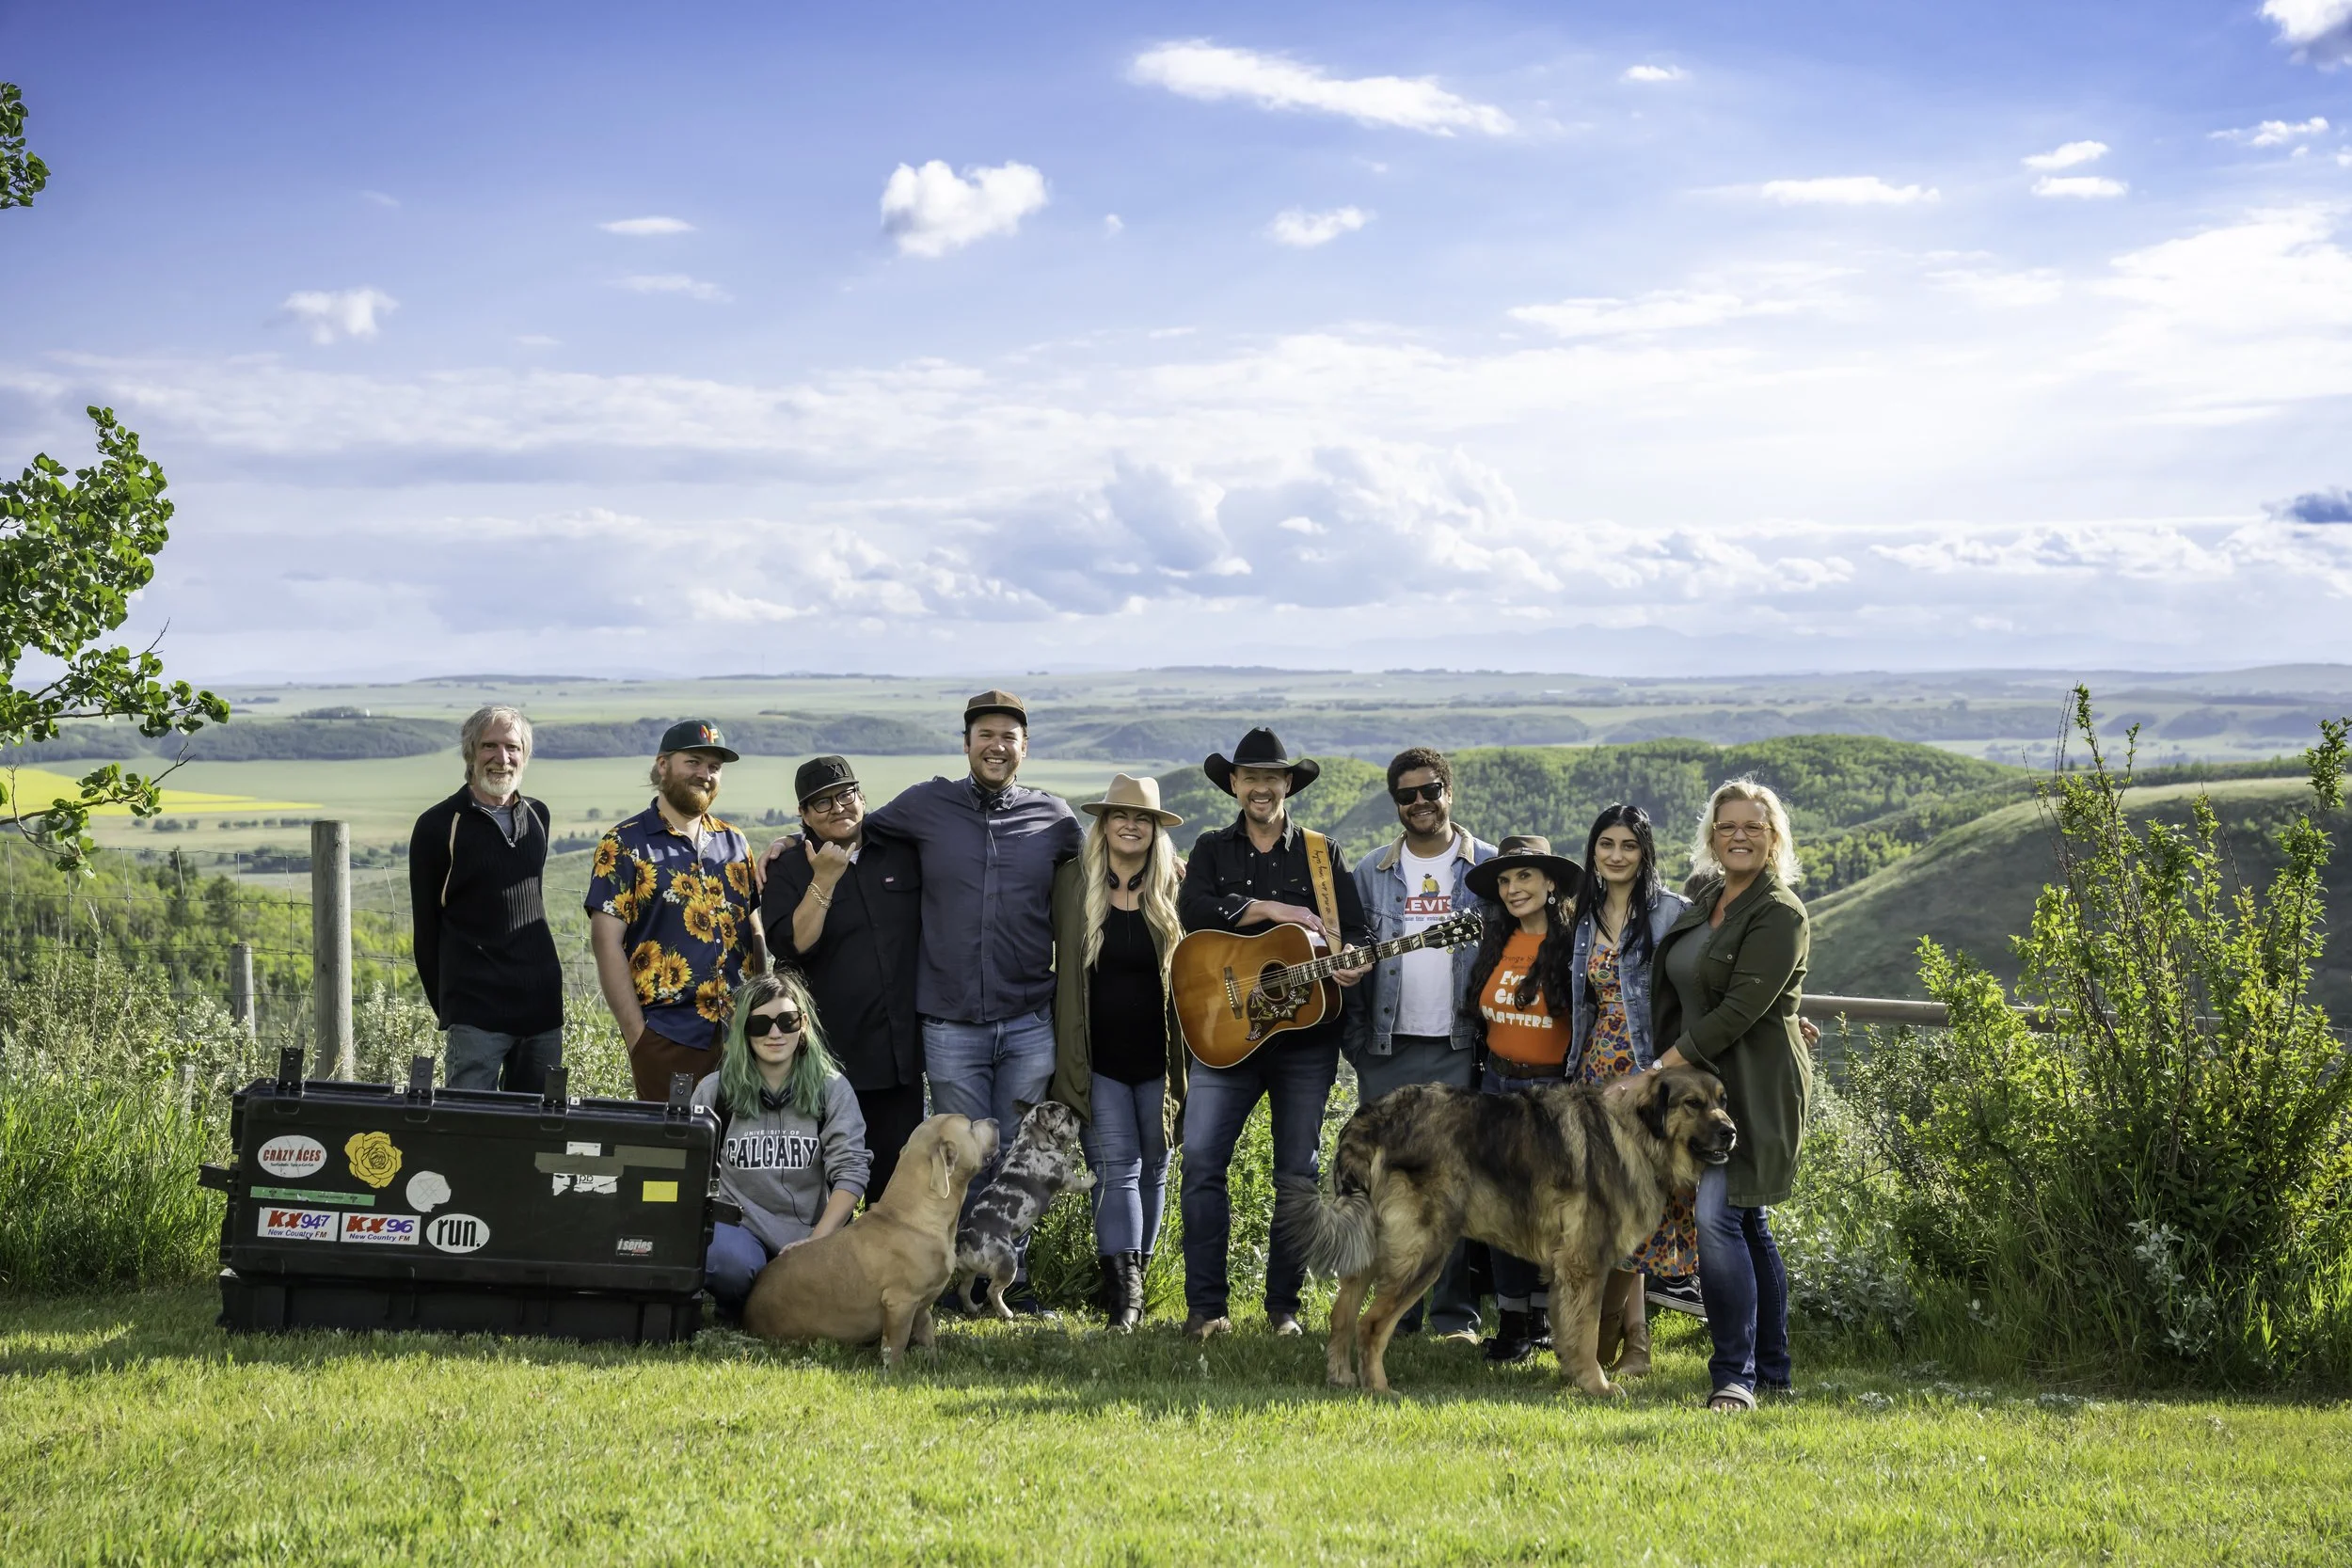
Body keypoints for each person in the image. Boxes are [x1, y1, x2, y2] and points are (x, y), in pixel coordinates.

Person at [855, 689, 1083, 1315]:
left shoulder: (1055, 818)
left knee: (1023, 1161)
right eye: (986, 734)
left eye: (1009, 736)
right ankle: (950, 1282)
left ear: (1024, 748)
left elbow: (1106, 871)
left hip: (1029, 1018)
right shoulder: (926, 804)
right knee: (961, 1161)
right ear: (966, 744)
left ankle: (1006, 1281)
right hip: (951, 1023)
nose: (997, 745)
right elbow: (857, 832)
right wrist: (791, 852)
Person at [1176, 727, 1370, 1339]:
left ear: (1288, 785)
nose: (1261, 787)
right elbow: (1193, 911)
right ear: (1234, 785)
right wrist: (1270, 909)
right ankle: (1207, 1309)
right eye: (1249, 776)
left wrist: (1355, 960)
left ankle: (1283, 1309)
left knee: (1298, 1171)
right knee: (1203, 1161)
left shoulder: (1322, 853)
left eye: (1272, 777)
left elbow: (1355, 932)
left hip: (1305, 1043)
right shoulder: (1211, 848)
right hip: (1224, 1035)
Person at [1653, 779, 1812, 1413]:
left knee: (1718, 1219)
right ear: (1711, 837)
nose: (1739, 835)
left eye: (1753, 825)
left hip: (1754, 1085)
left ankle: (1734, 1376)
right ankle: (1772, 1370)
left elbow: (1744, 1007)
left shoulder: (1781, 911)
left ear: (1775, 836)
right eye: (1727, 826)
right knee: (1749, 1221)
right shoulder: (1710, 895)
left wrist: (1661, 1063)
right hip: (1704, 1082)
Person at [1344, 746, 1496, 1344]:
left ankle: (1454, 1317)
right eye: (1406, 795)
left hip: (1460, 1043)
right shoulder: (1370, 873)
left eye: (1429, 790)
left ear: (1448, 792)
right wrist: (1358, 1045)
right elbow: (1354, 959)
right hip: (1388, 1047)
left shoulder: (1486, 867)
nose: (1419, 803)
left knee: (1455, 1184)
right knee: (1392, 1186)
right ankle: (1398, 1313)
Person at [1046, 773, 1188, 1331]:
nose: (1130, 825)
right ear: (1102, 825)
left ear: (1155, 831)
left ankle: (1139, 1277)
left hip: (1162, 1058)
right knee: (1114, 1169)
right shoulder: (1070, 884)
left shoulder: (1176, 890)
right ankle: (1123, 1300)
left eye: (1143, 819)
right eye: (1119, 816)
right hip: (1094, 1057)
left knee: (1156, 1165)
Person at [1564, 803, 1692, 1380]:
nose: (1616, 856)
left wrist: (1786, 1017)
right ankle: (1625, 1342)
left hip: (1652, 1077)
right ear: (1593, 851)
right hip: (1598, 1077)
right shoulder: (1581, 915)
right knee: (1608, 1204)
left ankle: (1619, 1335)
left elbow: (1713, 980)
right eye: (1606, 844)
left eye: (1628, 846)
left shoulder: (1672, 913)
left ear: (1645, 854)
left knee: (1644, 1205)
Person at [758, 755, 926, 1197]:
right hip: (825, 1065)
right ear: (804, 815)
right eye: (821, 803)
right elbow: (794, 944)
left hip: (898, 1063)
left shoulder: (902, 852)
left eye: (845, 795)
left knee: (891, 1193)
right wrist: (825, 881)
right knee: (820, 1190)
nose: (837, 808)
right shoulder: (789, 869)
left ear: (862, 796)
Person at [585, 721, 765, 1101]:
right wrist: (638, 1037)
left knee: (738, 1155)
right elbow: (605, 943)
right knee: (671, 1157)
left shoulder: (734, 842)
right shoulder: (624, 843)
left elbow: (754, 931)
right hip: (667, 1036)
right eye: (693, 762)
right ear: (663, 765)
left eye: (714, 768)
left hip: (740, 1039)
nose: (705, 775)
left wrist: (761, 1016)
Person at [1461, 833, 1583, 1364]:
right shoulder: (1496, 941)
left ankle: (1546, 1319)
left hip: (1551, 1092)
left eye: (1525, 877)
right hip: (1496, 1087)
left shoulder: (1575, 943)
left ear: (1551, 882)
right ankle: (1513, 1321)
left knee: (1549, 1209)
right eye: (1506, 880)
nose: (1513, 889)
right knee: (1499, 1206)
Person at [693, 971, 870, 1320]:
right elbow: (689, 1171)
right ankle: (750, 1299)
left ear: (802, 1024)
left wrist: (815, 1243)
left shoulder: (832, 1090)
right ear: (744, 1029)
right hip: (741, 1229)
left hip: (813, 1233)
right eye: (760, 1024)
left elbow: (851, 1173)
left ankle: (775, 1300)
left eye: (786, 1021)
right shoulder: (716, 1092)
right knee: (727, 1265)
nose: (774, 1033)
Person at [406, 705, 565, 1093]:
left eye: (512, 747)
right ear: (470, 753)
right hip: (476, 1015)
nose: (501, 758)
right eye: (489, 746)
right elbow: (426, 933)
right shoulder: (438, 826)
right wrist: (453, 1010)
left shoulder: (538, 817)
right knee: (471, 1131)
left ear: (525, 755)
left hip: (543, 1009)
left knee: (537, 1132)